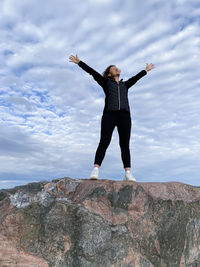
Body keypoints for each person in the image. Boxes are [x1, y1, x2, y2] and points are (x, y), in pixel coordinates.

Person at [69, 54, 155, 181]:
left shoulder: (125, 85)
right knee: (104, 141)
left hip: (125, 116)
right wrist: (79, 62)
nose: (117, 69)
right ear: (109, 74)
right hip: (110, 114)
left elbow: (136, 78)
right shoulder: (106, 83)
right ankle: (95, 170)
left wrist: (146, 70)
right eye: (114, 68)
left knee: (124, 144)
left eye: (117, 68)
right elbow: (92, 72)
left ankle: (128, 173)